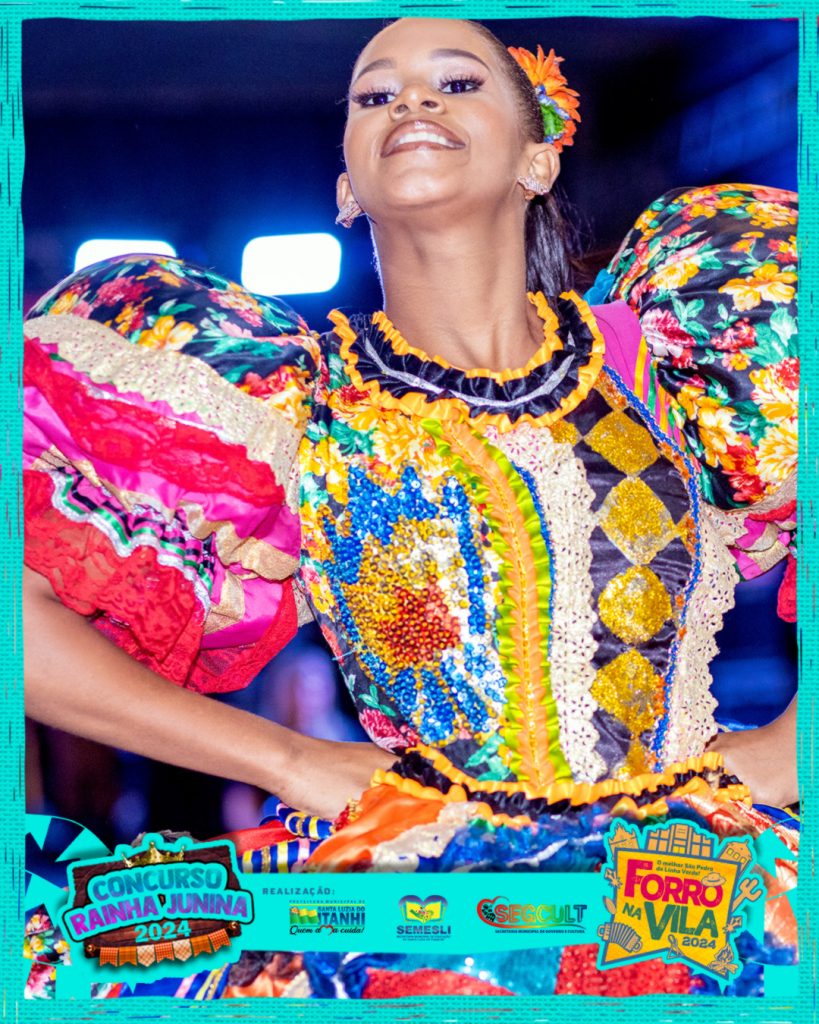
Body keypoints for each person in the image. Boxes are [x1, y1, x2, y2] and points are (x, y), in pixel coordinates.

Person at [23, 17, 798, 998]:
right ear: (347, 183)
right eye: (374, 94)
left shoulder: (685, 351)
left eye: (457, 83)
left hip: (685, 895)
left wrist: (787, 749)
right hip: (421, 919)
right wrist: (287, 759)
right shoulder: (289, 410)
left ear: (537, 157)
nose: (412, 102)